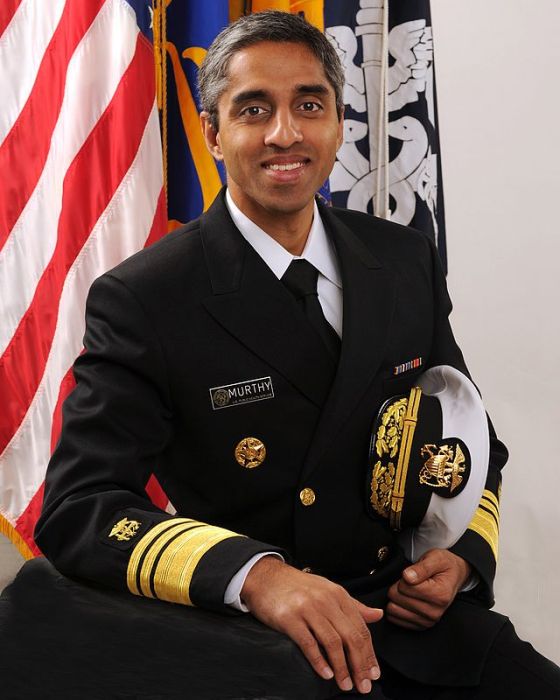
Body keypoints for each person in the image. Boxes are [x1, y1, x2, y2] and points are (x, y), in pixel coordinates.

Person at [35, 10, 560, 699]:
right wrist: (258, 576)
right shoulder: (147, 298)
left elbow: (470, 435)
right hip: (263, 643)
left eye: (309, 105)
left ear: (339, 123)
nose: (285, 133)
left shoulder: (402, 260)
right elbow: (79, 507)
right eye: (254, 109)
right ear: (213, 133)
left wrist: (461, 555)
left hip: (410, 619)